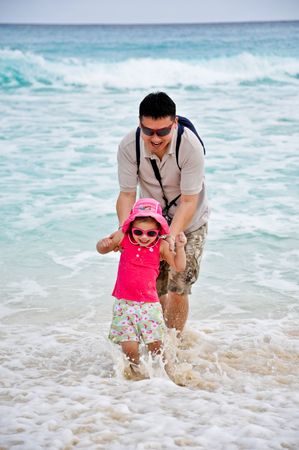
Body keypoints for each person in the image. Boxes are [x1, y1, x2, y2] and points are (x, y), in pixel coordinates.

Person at [114, 92, 209, 333]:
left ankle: (174, 344)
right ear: (140, 123)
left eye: (162, 132)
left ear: (174, 123)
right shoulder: (129, 145)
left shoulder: (190, 146)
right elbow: (126, 194)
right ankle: (158, 341)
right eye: (148, 131)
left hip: (189, 222)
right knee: (153, 289)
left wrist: (171, 236)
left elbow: (189, 201)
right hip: (149, 225)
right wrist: (124, 231)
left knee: (178, 287)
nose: (155, 138)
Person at [97, 198, 187, 373]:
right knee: (129, 348)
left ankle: (166, 373)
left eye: (150, 233)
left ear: (158, 232)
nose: (144, 237)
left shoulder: (161, 246)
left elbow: (179, 266)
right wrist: (103, 244)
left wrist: (181, 248)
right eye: (138, 232)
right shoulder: (123, 237)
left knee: (156, 346)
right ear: (130, 227)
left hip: (149, 305)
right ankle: (137, 378)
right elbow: (102, 249)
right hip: (124, 304)